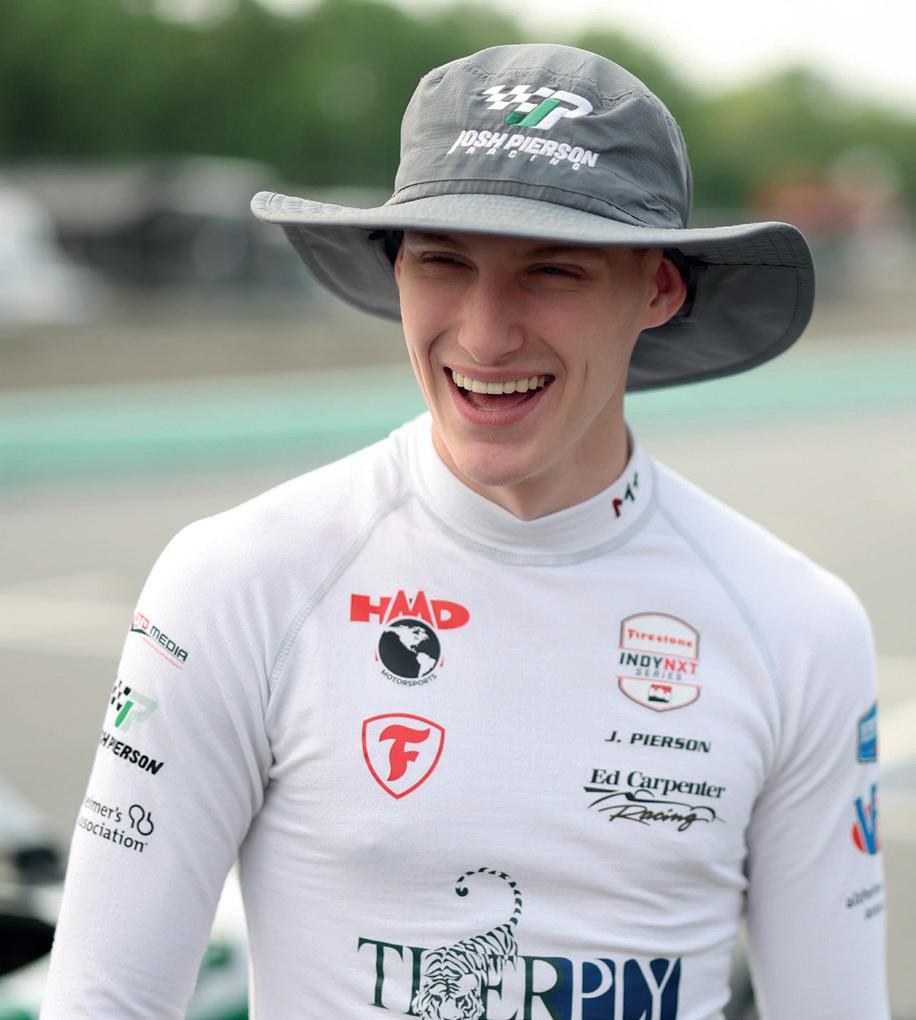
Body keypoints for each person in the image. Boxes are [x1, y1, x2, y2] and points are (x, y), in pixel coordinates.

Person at [41, 43, 888, 1020]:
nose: (485, 336)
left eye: (553, 271)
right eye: (443, 261)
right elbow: (103, 1000)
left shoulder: (799, 626)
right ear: (395, 267)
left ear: (658, 288)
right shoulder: (237, 579)